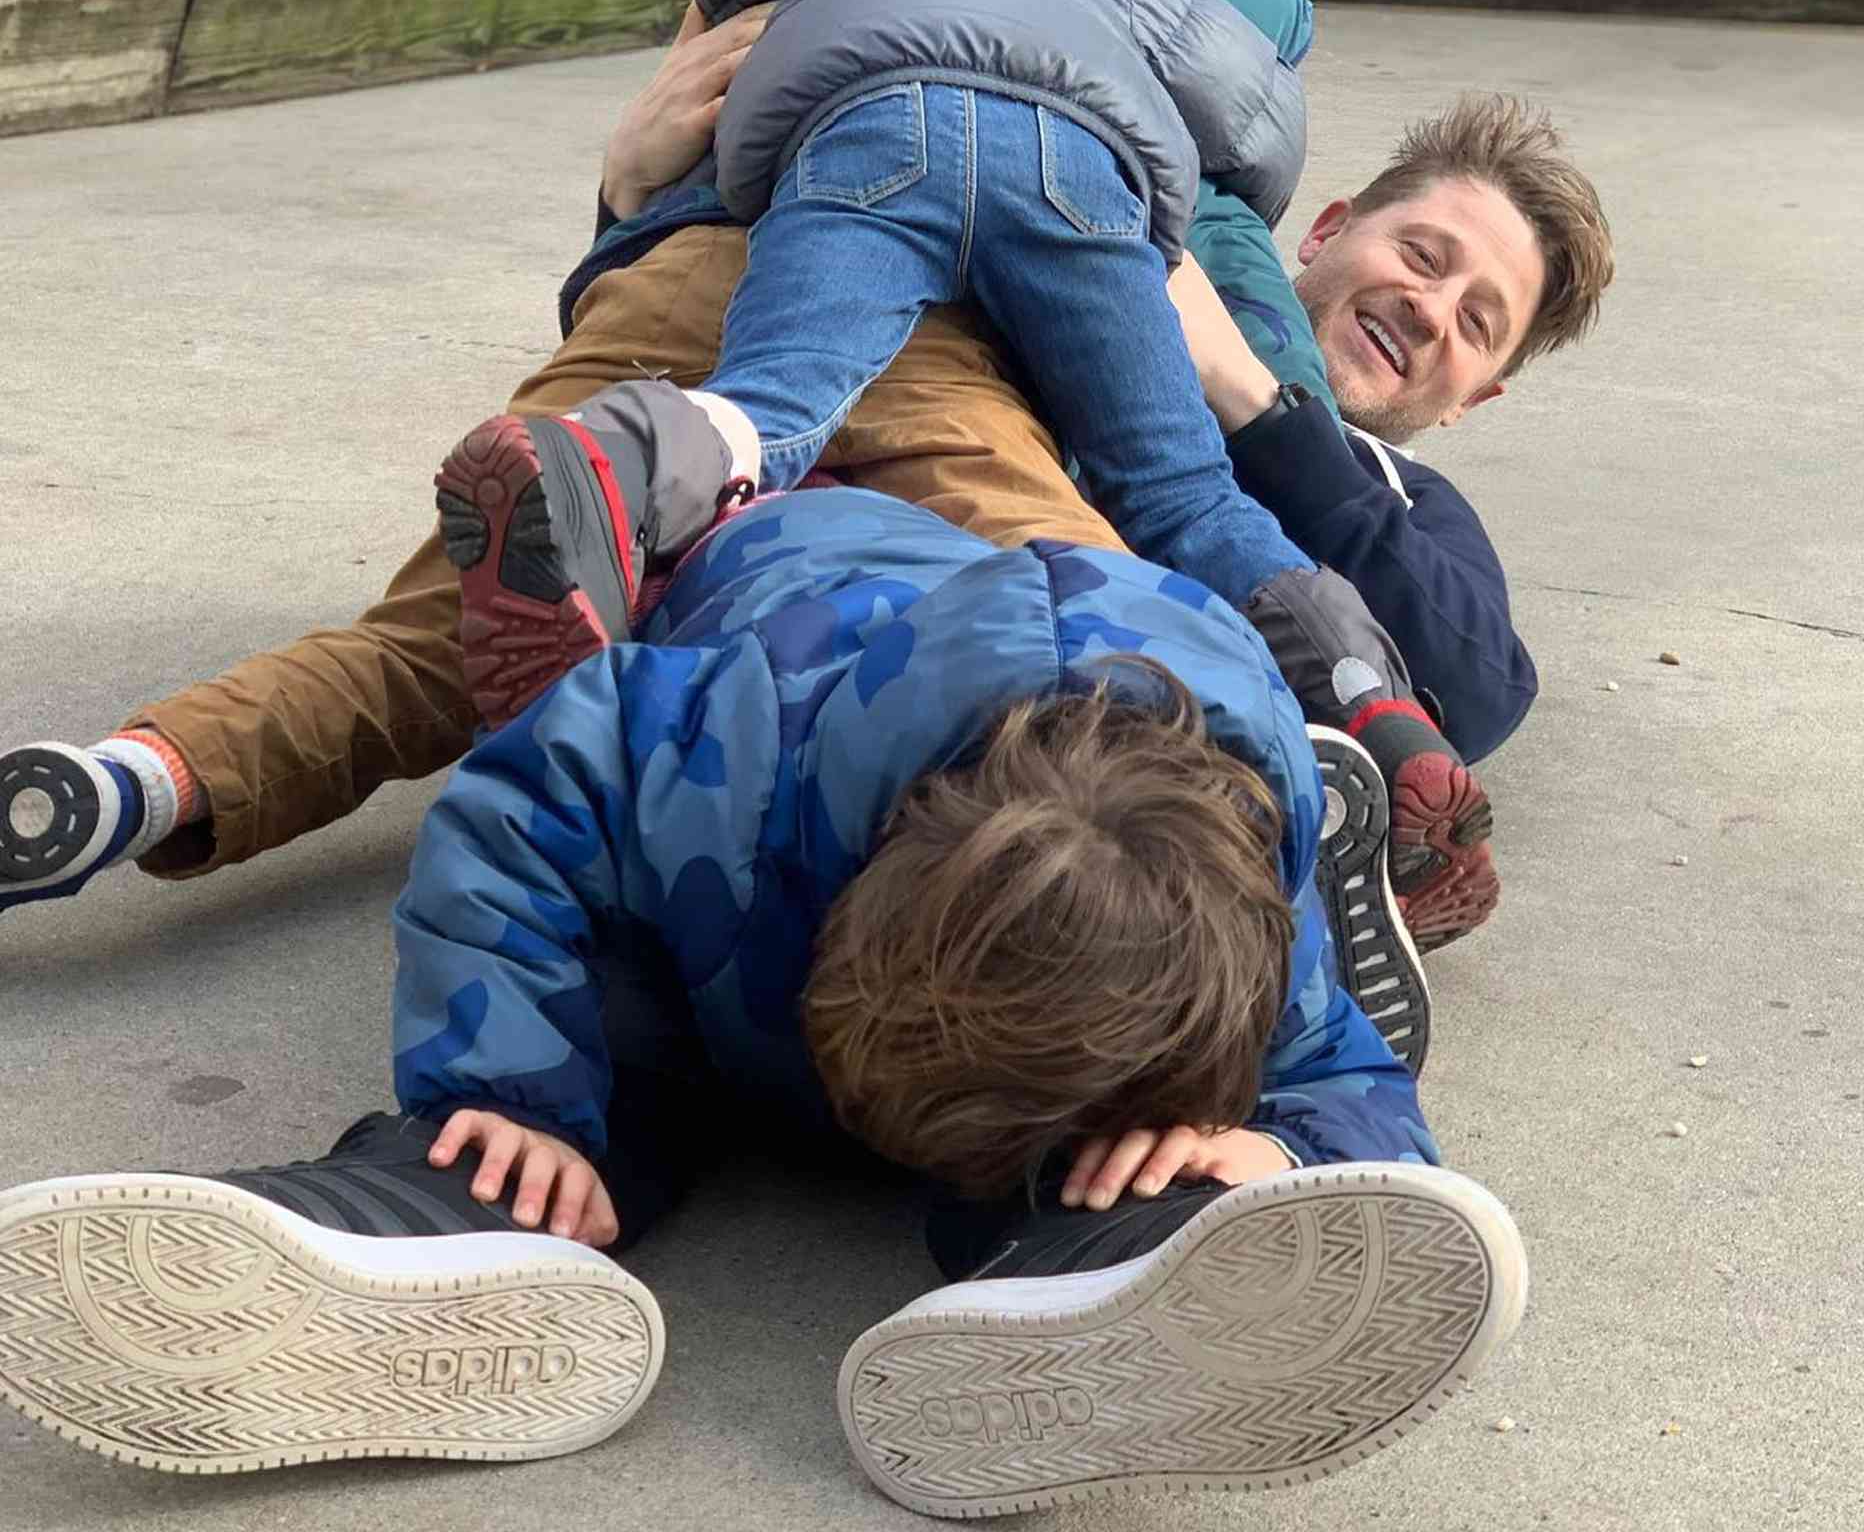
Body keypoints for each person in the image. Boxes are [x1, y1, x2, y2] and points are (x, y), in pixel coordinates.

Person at [0, 0, 1612, 981]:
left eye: (1482, 322)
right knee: (1091, 659)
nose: (1430, 309)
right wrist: (636, 186)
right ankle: (1244, 890)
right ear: (1316, 225)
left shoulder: (1394, 494)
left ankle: (138, 778)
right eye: (1423, 252)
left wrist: (1261, 396)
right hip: (894, 404)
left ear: (1476, 399)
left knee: (429, 640)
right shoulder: (1199, 208)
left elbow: (1473, 673)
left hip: (730, 369)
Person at [0, 484, 1527, 1510]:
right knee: (608, 1031)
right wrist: (508, 1096)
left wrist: (1278, 1152)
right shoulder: (721, 740)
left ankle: (1104, 1254)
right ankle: (439, 1212)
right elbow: (509, 814)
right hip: (784, 701)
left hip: (1092, 893)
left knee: (1174, 1126)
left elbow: (1331, 1061)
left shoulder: (1234, 898)